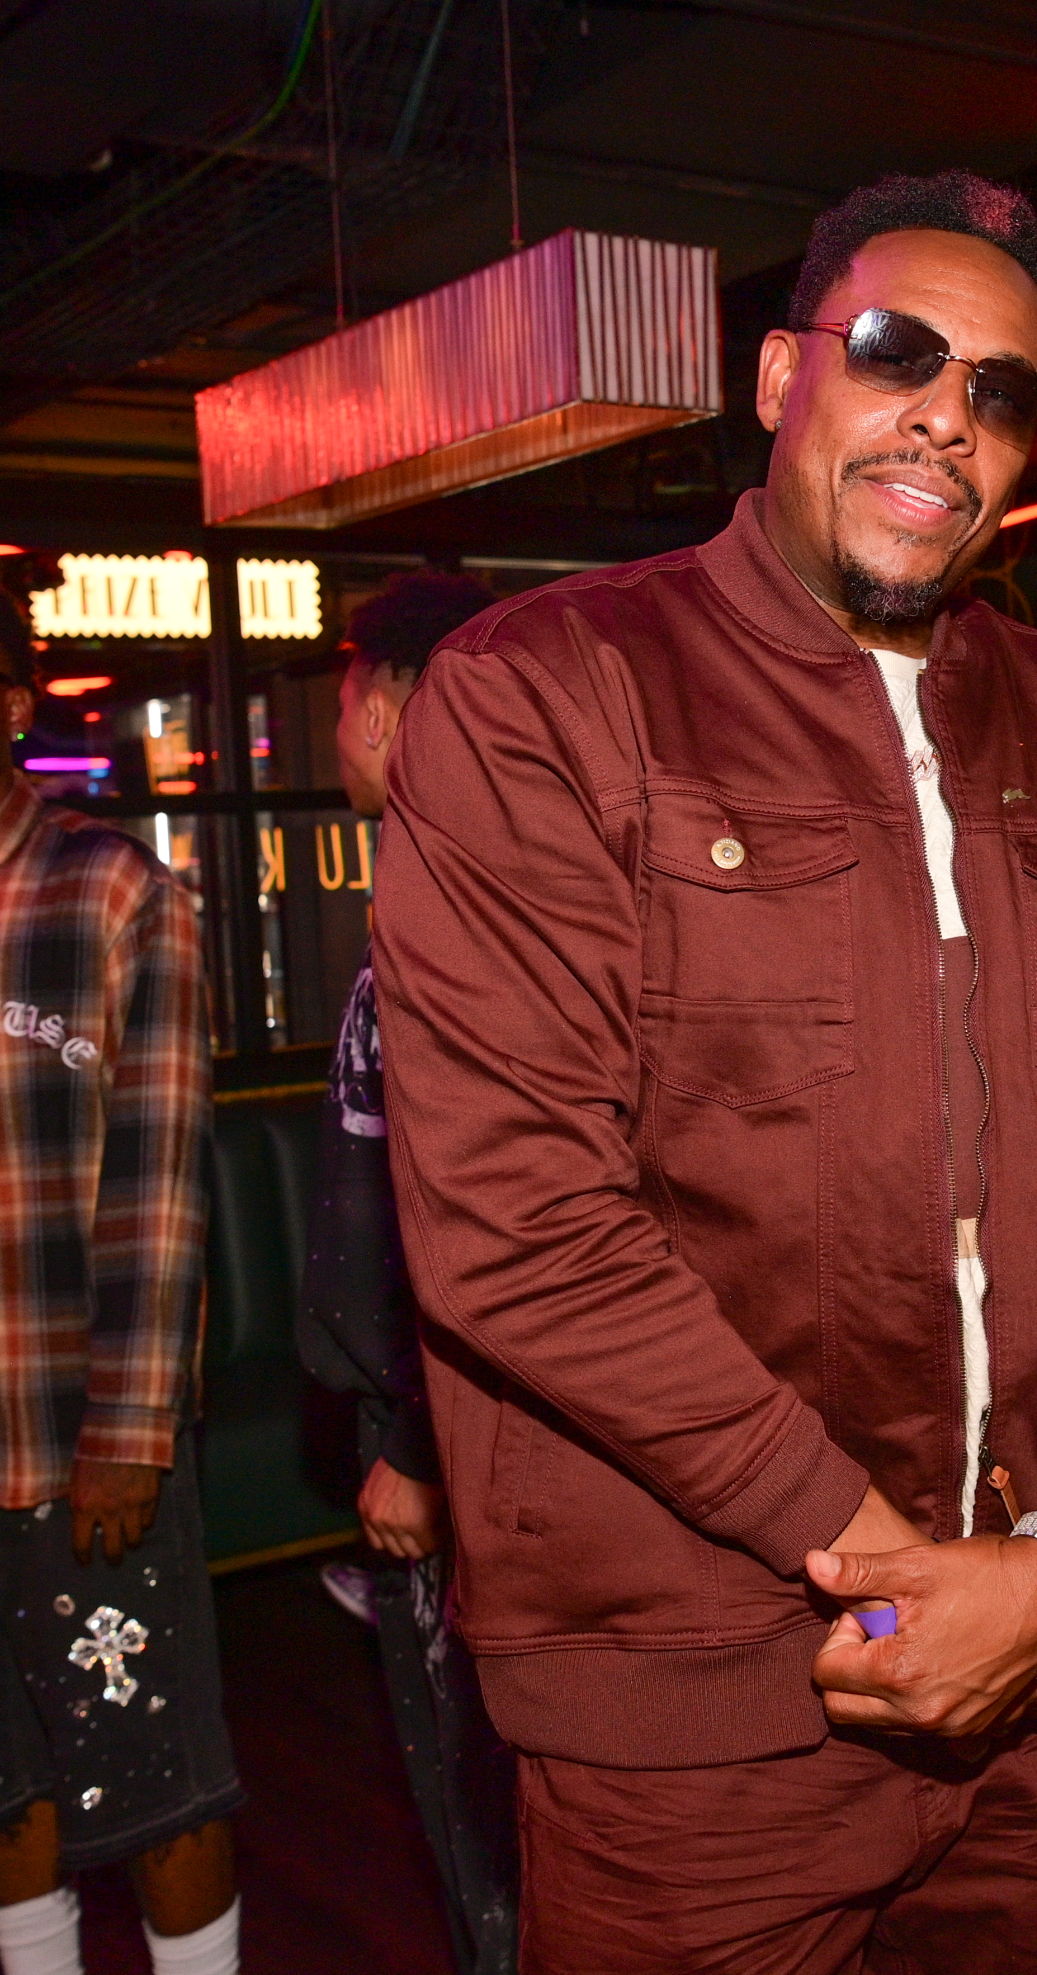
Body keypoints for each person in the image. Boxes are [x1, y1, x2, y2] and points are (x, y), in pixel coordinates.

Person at [372, 170, 1037, 1975]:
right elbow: (514, 1214)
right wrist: (892, 1581)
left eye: (1005, 392)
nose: (948, 412)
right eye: (895, 353)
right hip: (690, 1708)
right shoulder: (547, 694)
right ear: (782, 373)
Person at [0, 597, 242, 1975]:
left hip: (82, 1434)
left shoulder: (116, 890)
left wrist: (130, 1432)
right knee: (5, 1787)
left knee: (156, 1782)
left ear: (13, 702)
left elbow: (159, 1185)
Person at [295, 569, 518, 1975]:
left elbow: (494, 1221)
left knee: (487, 1818)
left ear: (381, 707)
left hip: (460, 1438)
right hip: (440, 1426)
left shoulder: (458, 925)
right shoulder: (473, 887)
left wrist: (426, 1450)